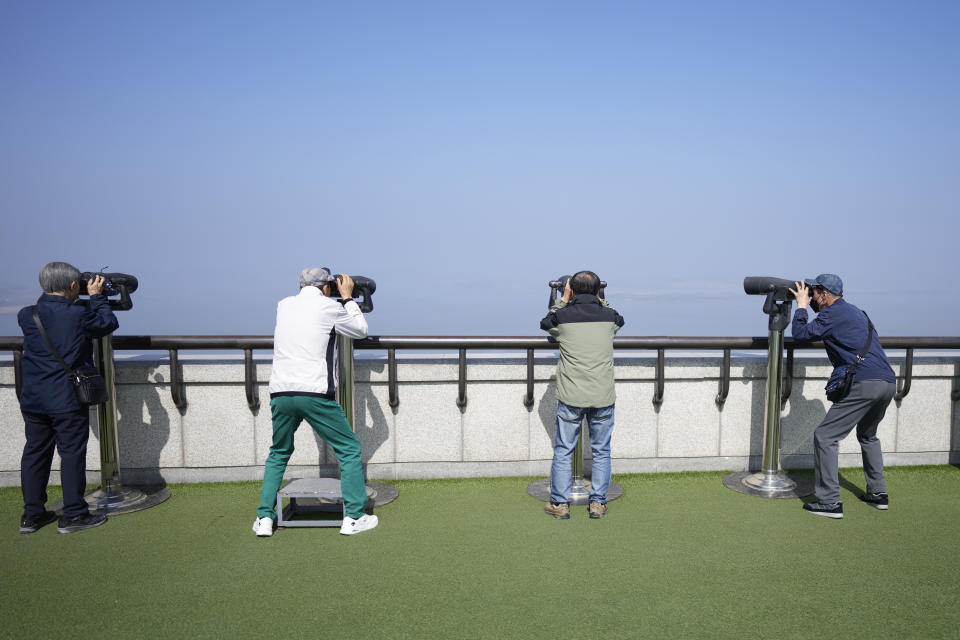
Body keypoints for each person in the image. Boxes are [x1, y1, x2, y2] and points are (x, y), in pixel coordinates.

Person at [253, 267, 378, 537]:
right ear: (326, 288)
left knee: (278, 452)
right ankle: (355, 517)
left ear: (300, 286)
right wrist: (346, 298)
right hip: (314, 393)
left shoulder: (284, 305)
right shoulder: (328, 307)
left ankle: (264, 517)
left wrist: (332, 293)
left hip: (281, 392)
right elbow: (360, 330)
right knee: (349, 448)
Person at [17, 262, 119, 534]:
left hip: (33, 398)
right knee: (71, 454)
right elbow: (107, 323)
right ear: (74, 286)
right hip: (65, 398)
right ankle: (73, 514)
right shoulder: (76, 315)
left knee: (35, 453)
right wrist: (97, 296)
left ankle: (32, 515)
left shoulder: (27, 315)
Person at [789, 274, 896, 519]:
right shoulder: (858, 312)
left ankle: (829, 502)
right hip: (888, 381)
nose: (812, 295)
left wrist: (802, 306)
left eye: (814, 291)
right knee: (868, 435)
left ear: (825, 294)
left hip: (865, 383)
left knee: (825, 436)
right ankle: (878, 494)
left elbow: (800, 334)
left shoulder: (832, 313)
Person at [540, 271, 624, 519]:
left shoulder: (563, 318)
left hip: (572, 396)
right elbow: (620, 319)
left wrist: (563, 299)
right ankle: (597, 502)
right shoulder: (609, 318)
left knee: (564, 450)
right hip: (602, 395)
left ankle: (560, 504)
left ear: (571, 289)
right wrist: (601, 299)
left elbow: (546, 322)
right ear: (598, 291)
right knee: (602, 451)